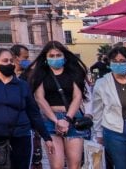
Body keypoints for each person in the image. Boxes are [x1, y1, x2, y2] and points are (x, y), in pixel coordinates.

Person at [28, 40, 89, 169]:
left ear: (64, 56)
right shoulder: (40, 75)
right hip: (50, 120)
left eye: (58, 55)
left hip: (72, 118)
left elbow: (77, 97)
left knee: (75, 164)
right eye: (51, 56)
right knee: (57, 165)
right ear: (46, 58)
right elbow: (40, 98)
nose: (55, 58)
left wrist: (67, 119)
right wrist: (56, 120)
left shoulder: (74, 73)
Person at [91, 45, 126, 169]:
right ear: (110, 63)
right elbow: (98, 110)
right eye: (115, 62)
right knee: (122, 166)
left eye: (122, 61)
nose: (119, 64)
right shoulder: (102, 84)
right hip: (114, 130)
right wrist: (98, 133)